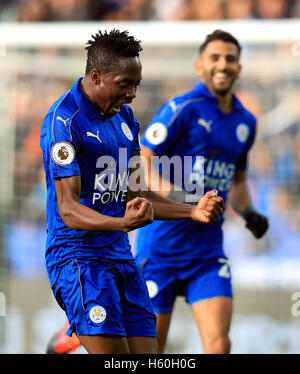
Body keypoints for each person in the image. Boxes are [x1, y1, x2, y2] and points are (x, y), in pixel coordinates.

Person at [40, 29, 224, 355]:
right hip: (79, 262)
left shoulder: (125, 119)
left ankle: (68, 340)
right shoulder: (63, 122)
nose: (132, 94)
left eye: (136, 84)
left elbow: (138, 194)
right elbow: (67, 209)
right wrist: (121, 224)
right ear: (96, 77)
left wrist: (192, 210)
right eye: (125, 84)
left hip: (122, 260)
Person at [134, 29, 269, 354]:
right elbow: (141, 159)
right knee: (150, 353)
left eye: (230, 59)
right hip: (160, 250)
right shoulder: (182, 108)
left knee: (219, 345)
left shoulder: (246, 122)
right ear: (199, 66)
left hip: (207, 253)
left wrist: (249, 213)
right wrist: (180, 198)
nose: (222, 64)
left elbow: (235, 180)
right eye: (215, 58)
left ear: (239, 68)